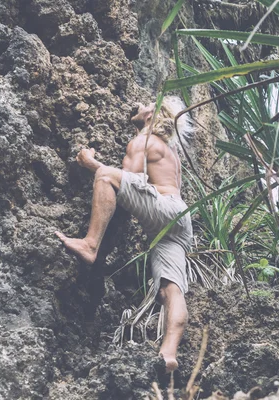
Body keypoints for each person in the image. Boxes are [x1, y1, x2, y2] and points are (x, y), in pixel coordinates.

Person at [55, 96, 193, 373]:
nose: (139, 103)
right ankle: (169, 353)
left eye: (146, 102)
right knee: (170, 290)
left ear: (153, 114)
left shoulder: (143, 141)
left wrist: (92, 163)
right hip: (179, 218)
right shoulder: (168, 149)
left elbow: (129, 179)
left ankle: (90, 244)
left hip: (163, 208)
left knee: (106, 176)